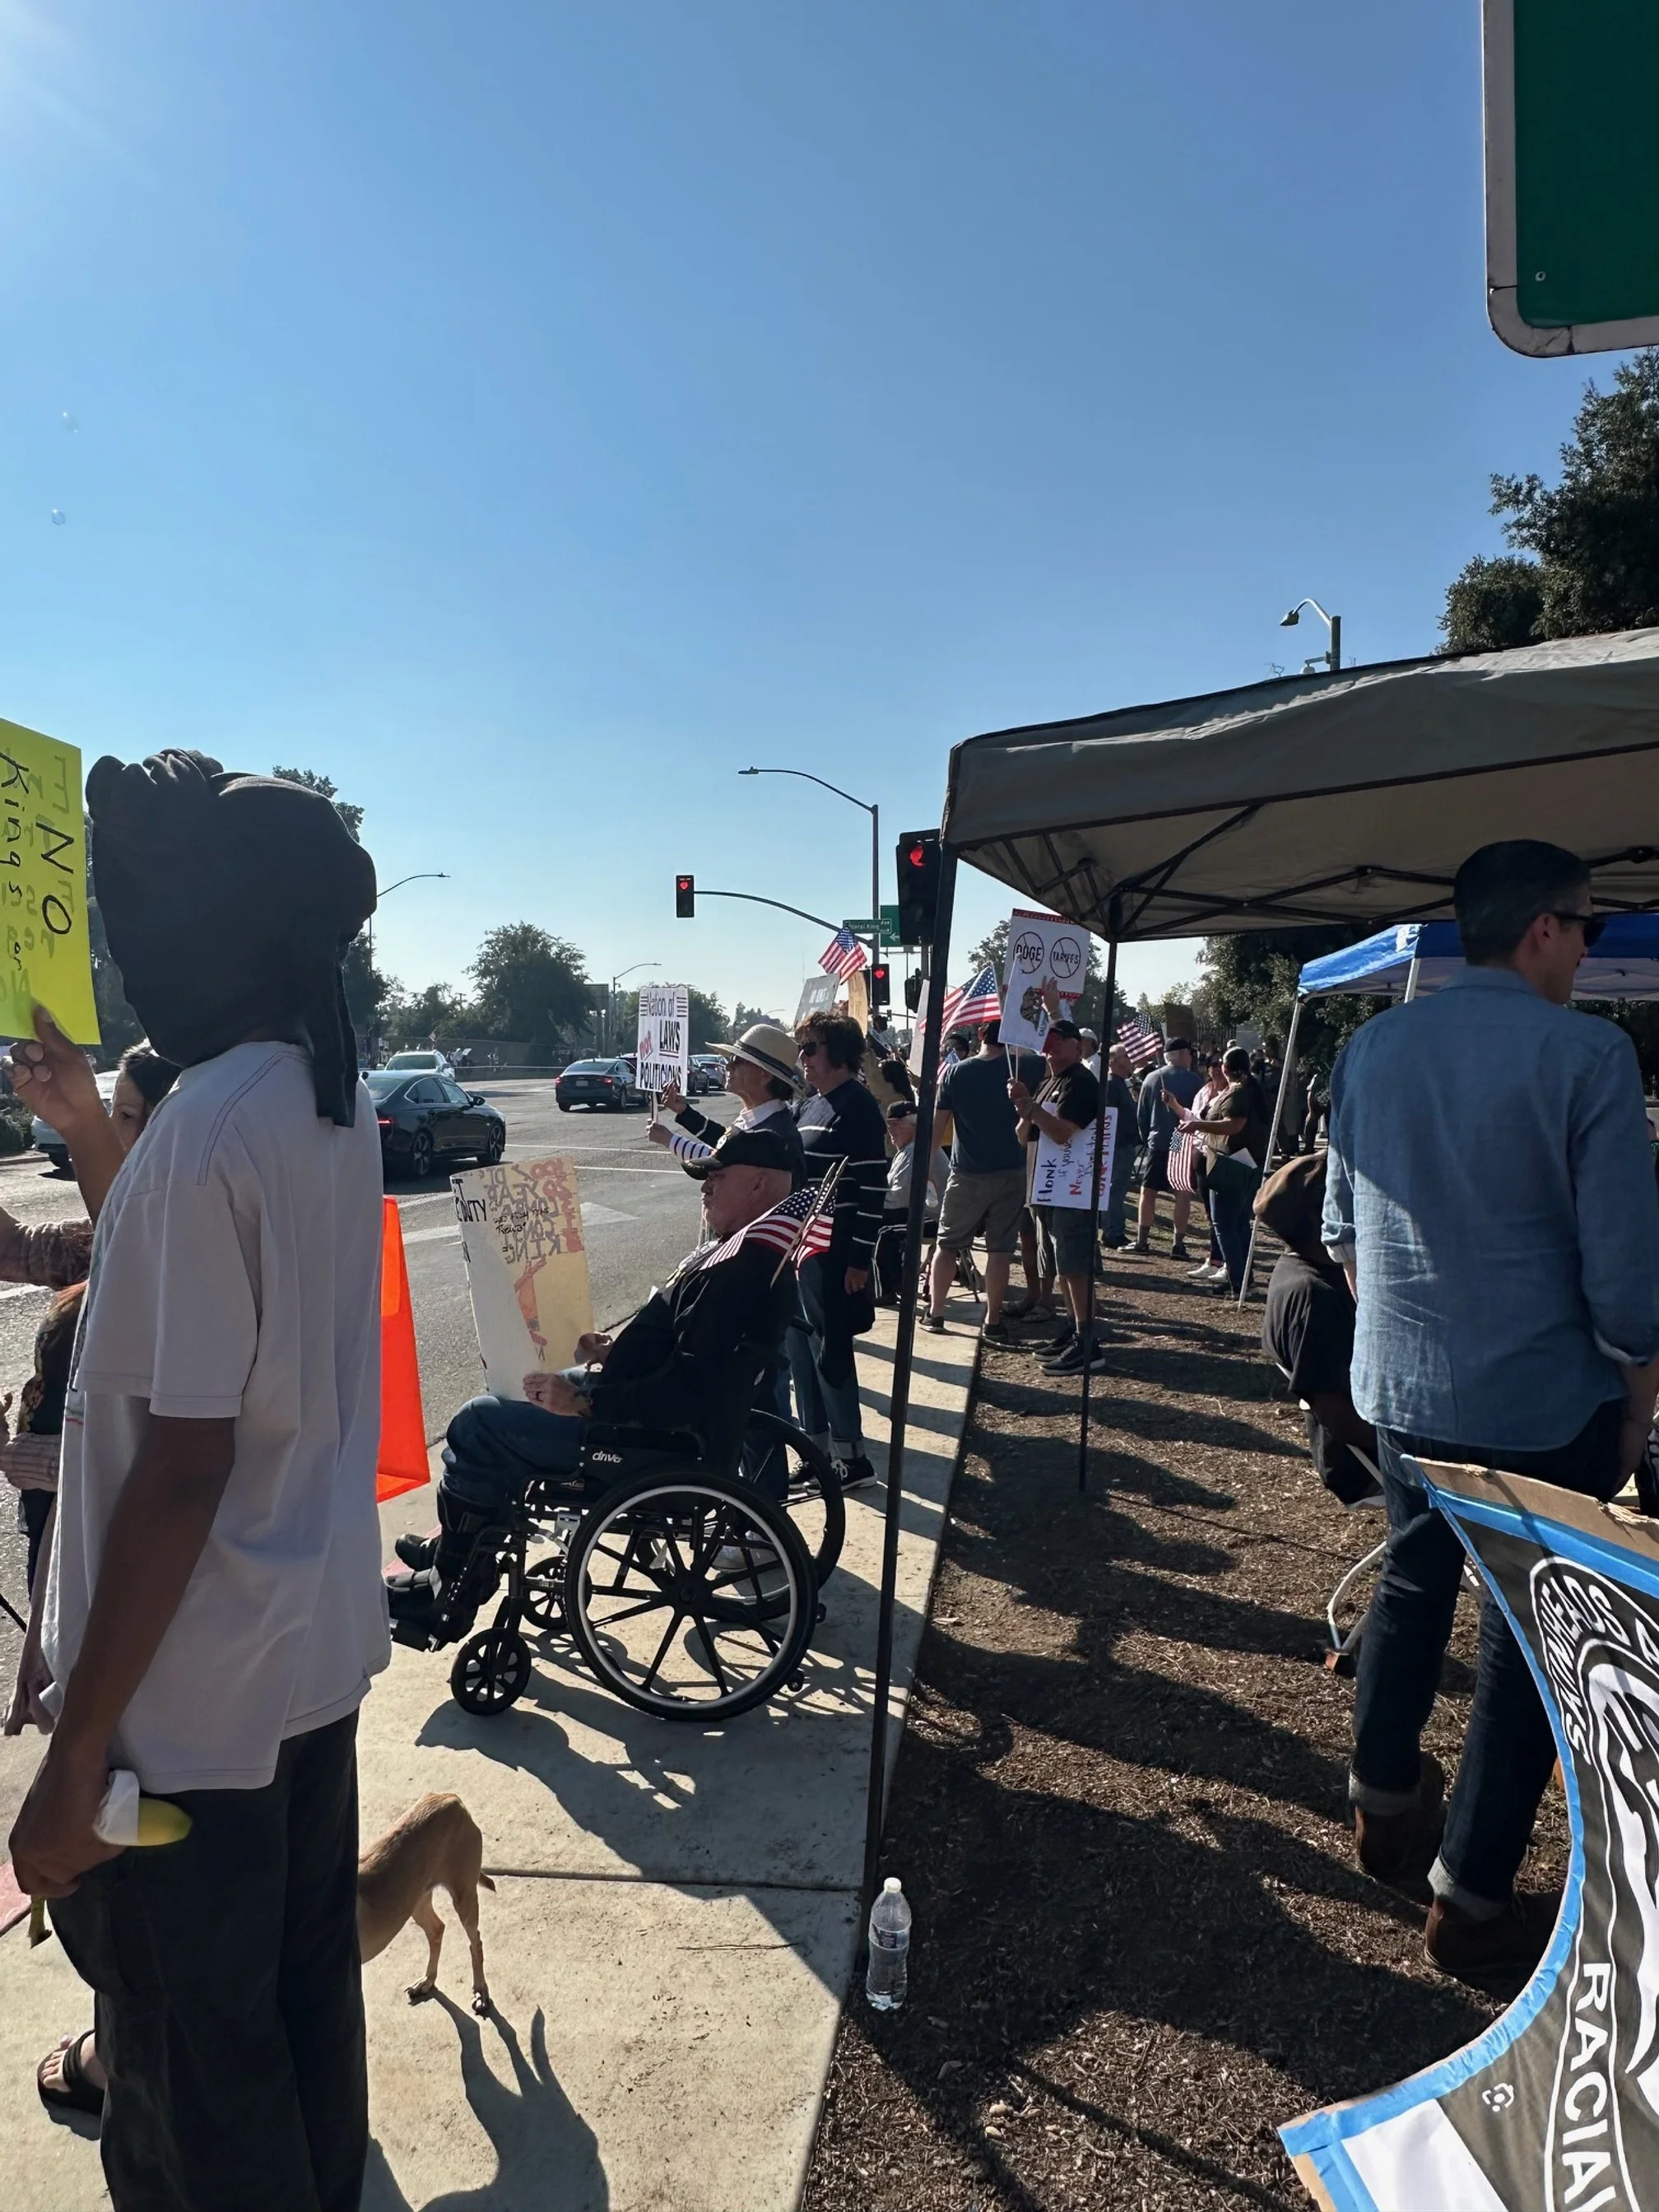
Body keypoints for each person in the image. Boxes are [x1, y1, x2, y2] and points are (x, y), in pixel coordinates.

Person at [7, 750, 383, 2212]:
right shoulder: (316, 1102)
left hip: (184, 1725)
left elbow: (177, 1471)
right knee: (295, 2035)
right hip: (303, 1675)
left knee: (187, 2096)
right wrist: (101, 1127)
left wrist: (71, 1751)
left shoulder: (208, 1133)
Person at [1324, 839, 1659, 1983]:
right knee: (1528, 1637)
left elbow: (1339, 1226)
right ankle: (1468, 1896)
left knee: (1415, 1579)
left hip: (1406, 1386)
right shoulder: (1588, 1056)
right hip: (1537, 1395)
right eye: (1589, 929)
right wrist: (1638, 1397)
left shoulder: (1373, 1047)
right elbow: (1624, 1275)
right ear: (1545, 931)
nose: (1587, 950)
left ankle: (1380, 1797)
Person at [389, 1127, 802, 1633]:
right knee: (514, 1390)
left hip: (642, 1441)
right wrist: (619, 1353)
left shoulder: (741, 1267)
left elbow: (688, 1389)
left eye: (718, 1177)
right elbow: (689, 1358)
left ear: (758, 1184)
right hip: (652, 1423)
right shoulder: (748, 1252)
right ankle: (457, 1552)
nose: (705, 1187)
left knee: (478, 1424)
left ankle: (450, 1588)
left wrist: (584, 1403)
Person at [790, 1012, 888, 1491]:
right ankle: (817, 1451)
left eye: (811, 1048)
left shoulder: (858, 1106)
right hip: (800, 1253)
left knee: (830, 1354)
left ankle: (853, 1460)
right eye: (801, 1048)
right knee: (800, 1354)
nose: (803, 1058)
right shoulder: (810, 1106)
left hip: (834, 1256)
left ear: (838, 1052)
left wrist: (859, 1260)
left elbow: (873, 1189)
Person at [1254, 1154, 1378, 1505]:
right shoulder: (1314, 1296)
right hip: (1365, 1467)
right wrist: (1418, 1454)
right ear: (1320, 1216)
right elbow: (1337, 1415)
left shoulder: (1296, 1269)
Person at [925, 1020, 1045, 1341]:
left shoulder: (955, 1073)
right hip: (1012, 1171)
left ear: (980, 1037)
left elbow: (938, 1128)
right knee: (1000, 1250)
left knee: (947, 1245)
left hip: (967, 1173)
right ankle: (993, 1320)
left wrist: (926, 1169)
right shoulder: (1029, 1067)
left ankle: (936, 1313)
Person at [1011, 1020, 1105, 1377]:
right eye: (1048, 1040)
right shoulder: (1048, 1081)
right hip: (1045, 1185)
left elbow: (1065, 1132)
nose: (1051, 1046)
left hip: (1071, 1186)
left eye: (1061, 1040)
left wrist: (1033, 1109)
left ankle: (1087, 1341)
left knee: (1074, 1265)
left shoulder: (1080, 1081)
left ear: (1077, 1047)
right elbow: (1024, 1135)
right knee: (1059, 1264)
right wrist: (1024, 1106)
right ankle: (1073, 1328)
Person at [653, 1021, 806, 1183]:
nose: (728, 1066)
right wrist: (684, 1113)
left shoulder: (774, 1138)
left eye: (737, 1060)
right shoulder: (764, 1121)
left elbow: (726, 1156)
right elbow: (727, 1145)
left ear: (765, 1076)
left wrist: (669, 1139)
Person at [1180, 1044, 1271, 1293]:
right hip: (1241, 1164)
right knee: (1239, 1224)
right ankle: (1244, 1279)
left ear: (1226, 1068)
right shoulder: (1248, 1090)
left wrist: (1199, 1125)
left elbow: (1234, 1125)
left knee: (1224, 1224)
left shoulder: (1239, 1094)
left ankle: (1237, 1280)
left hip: (1231, 1166)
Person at [874, 1101, 948, 1305]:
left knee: (880, 1227)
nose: (891, 1131)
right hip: (925, 1212)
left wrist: (871, 1204)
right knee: (881, 1221)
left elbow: (900, 1198)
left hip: (934, 1217)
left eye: (895, 1124)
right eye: (889, 1125)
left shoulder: (917, 1150)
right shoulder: (909, 1149)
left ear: (912, 1125)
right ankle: (896, 1284)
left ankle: (889, 1289)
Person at [1134, 1038, 1201, 1257]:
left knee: (1149, 1190)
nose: (1191, 1057)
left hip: (1158, 1140)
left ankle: (1142, 1240)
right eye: (1189, 1053)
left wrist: (1148, 1138)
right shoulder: (1194, 1081)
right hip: (1181, 1140)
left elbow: (1141, 1115)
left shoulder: (1151, 1078)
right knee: (1182, 1192)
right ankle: (1178, 1244)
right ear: (1181, 1054)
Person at [1099, 1045, 1140, 1252]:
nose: (1130, 1058)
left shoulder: (1121, 1084)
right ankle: (1112, 1231)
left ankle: (1114, 1228)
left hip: (1124, 1144)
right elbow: (1108, 1118)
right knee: (1114, 1190)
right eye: (1125, 1055)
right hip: (1117, 1146)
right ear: (1113, 1061)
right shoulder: (1110, 1085)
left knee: (1119, 1190)